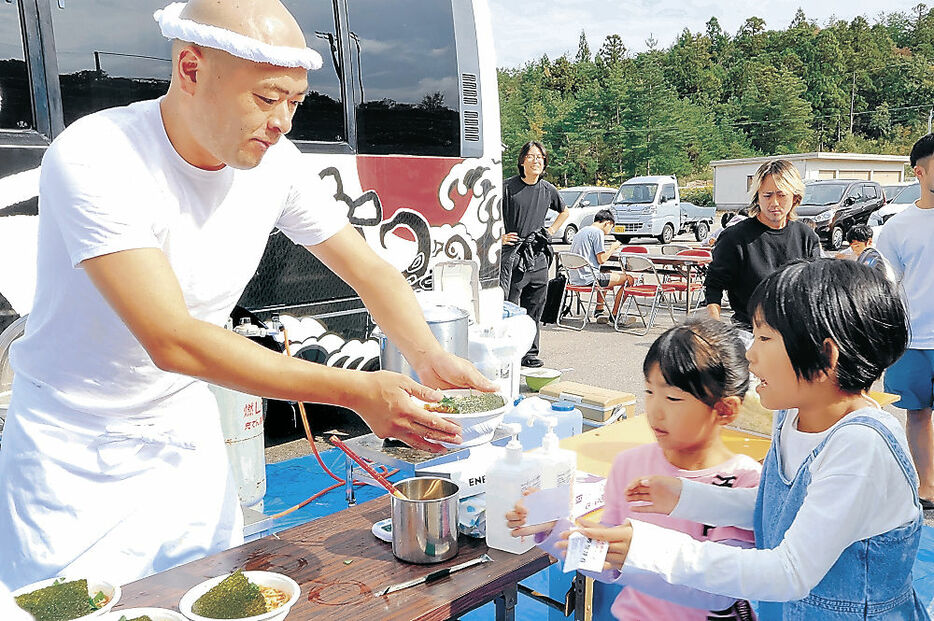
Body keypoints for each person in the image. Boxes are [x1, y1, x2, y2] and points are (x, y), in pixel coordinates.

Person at [0, 0, 495, 590]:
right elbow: (172, 338)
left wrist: (427, 355)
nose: (283, 121)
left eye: (295, 102)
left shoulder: (277, 164)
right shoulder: (99, 156)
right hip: (74, 449)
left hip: (183, 436)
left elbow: (372, 271)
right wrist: (357, 390)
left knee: (209, 591)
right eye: (266, 98)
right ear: (190, 68)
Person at [561, 259, 928, 620]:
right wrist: (687, 497)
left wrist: (651, 549)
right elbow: (776, 507)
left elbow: (789, 573)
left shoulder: (860, 448)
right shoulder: (792, 415)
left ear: (824, 355)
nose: (750, 354)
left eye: (765, 337)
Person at [507, 318, 762, 620]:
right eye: (649, 392)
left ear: (725, 409)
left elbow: (720, 593)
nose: (655, 410)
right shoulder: (631, 464)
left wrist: (636, 554)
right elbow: (606, 560)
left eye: (673, 398)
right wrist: (555, 528)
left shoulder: (744, 484)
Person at [877, 133, 934, 511]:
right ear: (920, 171)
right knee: (918, 412)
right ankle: (927, 486)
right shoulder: (899, 226)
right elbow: (882, 283)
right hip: (914, 338)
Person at [704, 160, 821, 331]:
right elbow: (714, 285)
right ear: (757, 196)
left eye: (781, 195)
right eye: (767, 195)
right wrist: (714, 328)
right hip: (750, 332)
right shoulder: (734, 238)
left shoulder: (807, 237)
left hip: (796, 332)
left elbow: (818, 288)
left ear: (795, 197)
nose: (774, 202)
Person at [500, 141, 569, 368]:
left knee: (535, 307)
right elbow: (487, 212)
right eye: (531, 156)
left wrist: (550, 231)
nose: (536, 160)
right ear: (522, 161)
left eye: (540, 157)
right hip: (514, 256)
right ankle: (508, 352)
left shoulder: (548, 189)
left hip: (538, 255)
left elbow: (564, 211)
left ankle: (530, 353)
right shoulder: (507, 187)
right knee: (509, 306)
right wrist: (499, 236)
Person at [567, 209, 635, 323]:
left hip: (574, 279)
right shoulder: (597, 232)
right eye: (611, 227)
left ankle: (599, 310)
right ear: (607, 223)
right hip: (590, 279)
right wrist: (613, 248)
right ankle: (615, 315)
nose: (610, 230)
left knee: (607, 273)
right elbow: (602, 259)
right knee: (629, 279)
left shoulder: (581, 231)